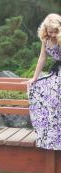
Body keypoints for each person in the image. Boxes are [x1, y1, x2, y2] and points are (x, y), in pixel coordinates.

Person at [23, 13, 61, 150]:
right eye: (50, 31)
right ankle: (49, 135)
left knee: (57, 96)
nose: (52, 34)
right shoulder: (45, 39)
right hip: (56, 72)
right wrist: (34, 78)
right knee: (39, 88)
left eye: (55, 31)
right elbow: (42, 58)